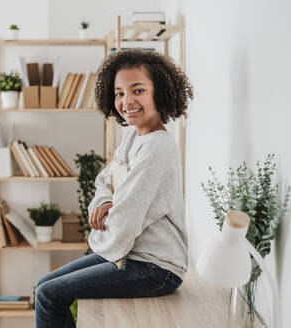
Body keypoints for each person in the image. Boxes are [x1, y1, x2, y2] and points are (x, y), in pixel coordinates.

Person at [34, 49, 193, 328]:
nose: (126, 101)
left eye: (138, 90)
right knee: (44, 285)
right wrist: (103, 203)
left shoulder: (157, 148)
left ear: (162, 92)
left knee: (50, 295)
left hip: (156, 268)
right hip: (128, 254)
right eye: (119, 93)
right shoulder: (133, 136)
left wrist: (99, 235)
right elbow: (104, 181)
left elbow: (124, 222)